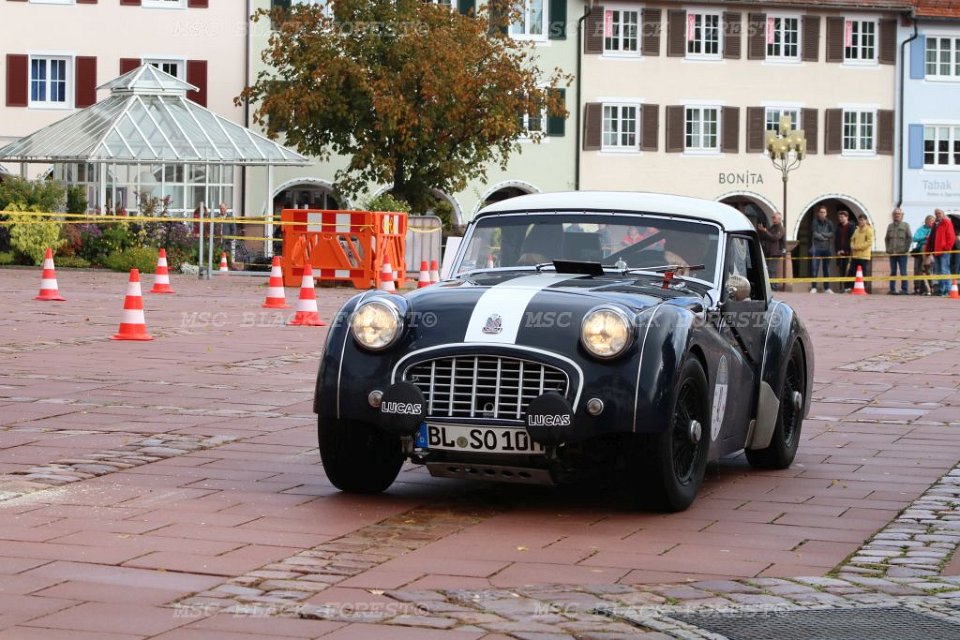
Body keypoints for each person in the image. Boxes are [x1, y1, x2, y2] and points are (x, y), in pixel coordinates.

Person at [924, 208, 956, 296]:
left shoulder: (947, 223)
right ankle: (942, 290)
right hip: (936, 251)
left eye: (939, 213)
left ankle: (948, 290)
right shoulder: (935, 224)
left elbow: (951, 236)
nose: (937, 215)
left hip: (944, 251)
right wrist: (928, 251)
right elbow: (931, 238)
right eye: (936, 214)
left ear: (943, 214)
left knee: (945, 270)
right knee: (938, 271)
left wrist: (947, 248)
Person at [884, 208, 912, 295]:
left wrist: (906, 249)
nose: (896, 215)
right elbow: (886, 239)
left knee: (903, 272)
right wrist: (888, 249)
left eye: (898, 214)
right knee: (893, 272)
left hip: (902, 253)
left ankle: (904, 289)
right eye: (895, 214)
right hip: (892, 253)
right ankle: (892, 289)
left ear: (901, 215)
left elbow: (909, 238)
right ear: (893, 215)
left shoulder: (906, 225)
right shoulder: (890, 226)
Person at [757, 212, 785, 291]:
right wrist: (762, 230)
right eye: (772, 217)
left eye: (774, 218)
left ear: (779, 219)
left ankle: (774, 287)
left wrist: (765, 231)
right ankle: (770, 286)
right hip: (768, 252)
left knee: (771, 270)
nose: (773, 219)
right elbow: (765, 237)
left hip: (775, 253)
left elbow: (775, 238)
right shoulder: (772, 227)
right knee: (768, 269)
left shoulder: (781, 228)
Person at [810, 205, 835, 294]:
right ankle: (814, 287)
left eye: (824, 212)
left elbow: (832, 234)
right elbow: (814, 234)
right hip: (816, 247)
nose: (822, 214)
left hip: (827, 248)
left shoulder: (829, 223)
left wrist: (823, 234)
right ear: (818, 213)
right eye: (821, 212)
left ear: (826, 213)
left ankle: (827, 287)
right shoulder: (814, 222)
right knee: (814, 268)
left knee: (826, 268)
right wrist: (824, 237)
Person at [849, 213, 874, 293]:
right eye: (860, 220)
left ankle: (863, 288)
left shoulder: (869, 230)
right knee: (852, 272)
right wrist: (852, 246)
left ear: (866, 221)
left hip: (864, 256)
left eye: (862, 220)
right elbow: (852, 239)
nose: (861, 221)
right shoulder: (856, 230)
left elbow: (869, 242)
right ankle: (852, 288)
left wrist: (857, 247)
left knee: (863, 273)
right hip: (855, 256)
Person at [912, 214, 934, 295]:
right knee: (917, 269)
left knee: (928, 269)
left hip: (929, 251)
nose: (932, 223)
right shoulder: (921, 229)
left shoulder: (934, 230)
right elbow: (914, 238)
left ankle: (931, 288)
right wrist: (924, 237)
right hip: (920, 250)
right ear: (926, 221)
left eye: (933, 221)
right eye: (931, 221)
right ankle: (917, 288)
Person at [834, 210, 855, 293]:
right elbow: (836, 241)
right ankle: (841, 288)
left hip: (848, 253)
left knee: (848, 270)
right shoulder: (838, 228)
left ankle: (848, 287)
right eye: (839, 217)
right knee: (841, 270)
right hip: (839, 253)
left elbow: (852, 240)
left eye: (842, 217)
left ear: (847, 217)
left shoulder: (851, 227)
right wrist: (837, 250)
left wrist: (846, 250)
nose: (840, 218)